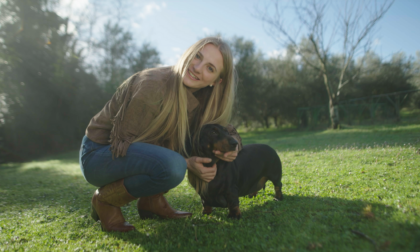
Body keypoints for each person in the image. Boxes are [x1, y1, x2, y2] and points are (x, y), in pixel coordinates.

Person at [79, 37, 242, 232]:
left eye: (210, 68)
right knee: (173, 165)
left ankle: (151, 201)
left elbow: (227, 131)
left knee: (193, 142)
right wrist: (188, 162)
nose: (198, 68)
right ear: (189, 52)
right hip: (101, 154)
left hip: (134, 153)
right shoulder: (152, 86)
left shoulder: (204, 97)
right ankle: (105, 200)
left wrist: (232, 149)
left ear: (217, 81)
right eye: (197, 56)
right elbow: (130, 145)